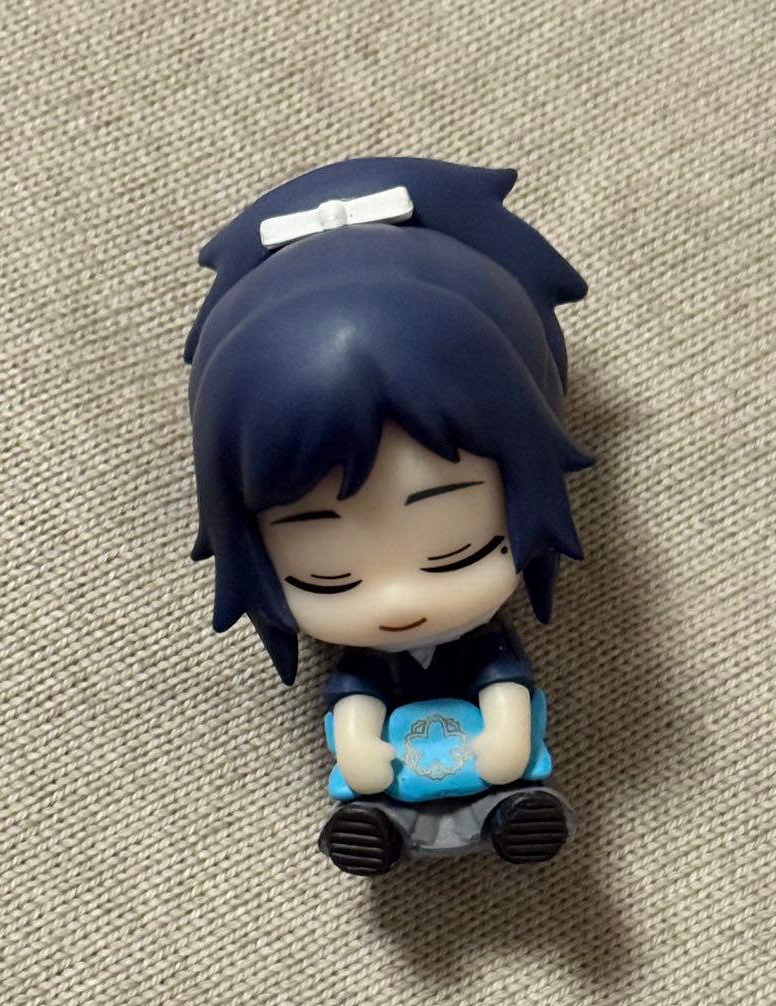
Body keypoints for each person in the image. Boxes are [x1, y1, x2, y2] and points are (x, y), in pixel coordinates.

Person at [184, 157, 591, 874]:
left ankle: (514, 813)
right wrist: (361, 749)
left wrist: (504, 739)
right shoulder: (365, 663)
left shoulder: (485, 646)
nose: (398, 602)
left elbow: (505, 684)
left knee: (516, 785)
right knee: (369, 803)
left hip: (485, 769)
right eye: (328, 576)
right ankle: (376, 829)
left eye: (457, 552)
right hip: (398, 780)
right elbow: (354, 701)